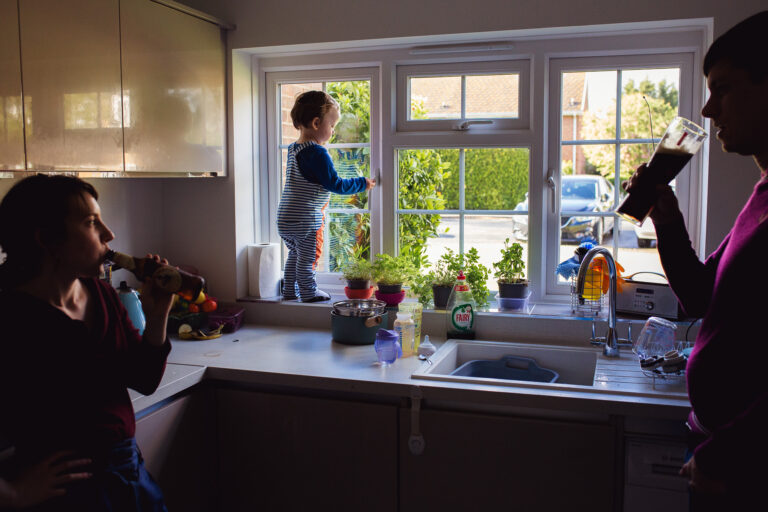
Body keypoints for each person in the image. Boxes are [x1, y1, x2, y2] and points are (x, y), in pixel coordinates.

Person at [625, 11, 768, 510]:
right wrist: (666, 216)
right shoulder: (762, 197)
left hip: (745, 465)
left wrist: (725, 453)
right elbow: (698, 294)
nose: (708, 110)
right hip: (720, 450)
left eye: (723, 89)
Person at [0, 174, 174, 510]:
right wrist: (13, 495)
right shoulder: (12, 321)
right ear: (47, 240)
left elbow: (144, 379)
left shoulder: (103, 295)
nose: (109, 235)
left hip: (128, 474)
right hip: (69, 496)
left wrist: (156, 317)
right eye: (91, 223)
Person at [277, 91, 375, 302]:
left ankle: (289, 292)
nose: (332, 131)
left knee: (295, 255)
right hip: (306, 219)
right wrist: (362, 183)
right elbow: (335, 184)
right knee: (309, 257)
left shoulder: (294, 148)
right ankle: (308, 292)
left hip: (285, 218)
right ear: (315, 123)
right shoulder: (317, 152)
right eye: (331, 126)